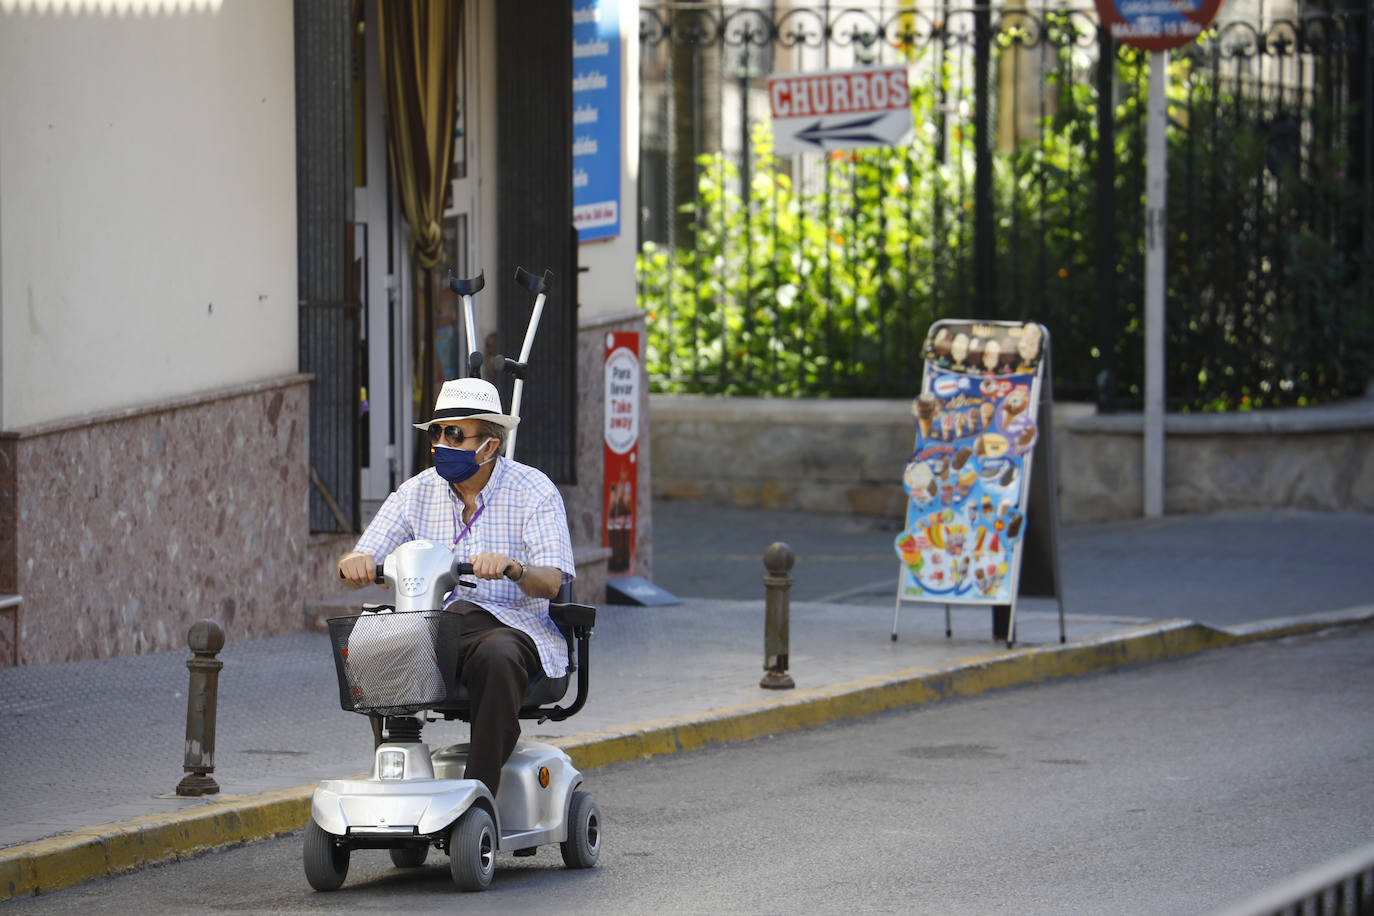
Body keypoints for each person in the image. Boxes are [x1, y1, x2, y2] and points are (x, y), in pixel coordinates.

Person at [337, 377, 575, 796]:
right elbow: (362, 556)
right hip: (436, 630)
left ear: (490, 446)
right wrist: (353, 564)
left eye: (454, 434)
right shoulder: (416, 492)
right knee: (372, 642)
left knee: (495, 652)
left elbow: (551, 582)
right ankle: (395, 776)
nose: (441, 443)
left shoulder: (534, 491)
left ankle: (478, 791)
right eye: (437, 433)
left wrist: (515, 569)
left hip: (512, 630)